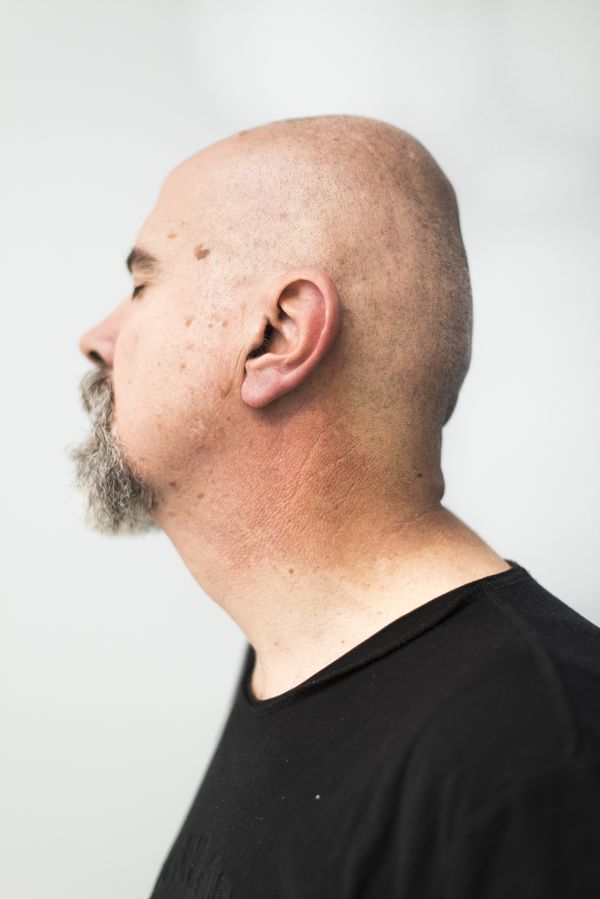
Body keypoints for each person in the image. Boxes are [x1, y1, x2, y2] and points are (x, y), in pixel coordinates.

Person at [69, 115, 600, 898]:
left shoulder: (535, 756)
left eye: (144, 284)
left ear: (276, 335)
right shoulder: (290, 661)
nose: (95, 338)